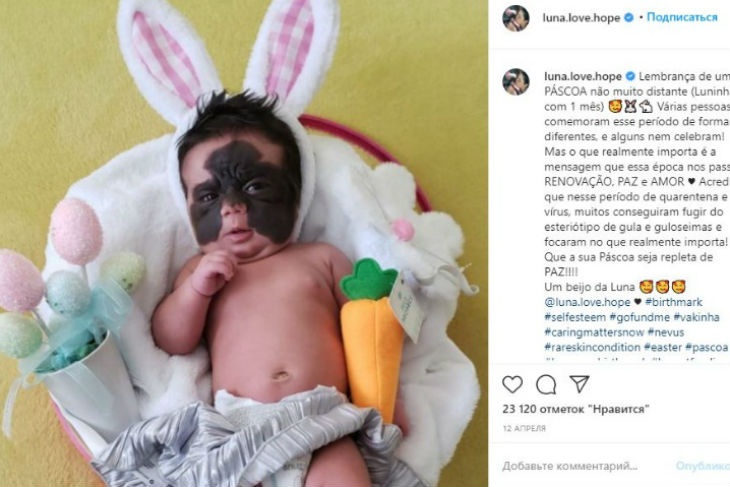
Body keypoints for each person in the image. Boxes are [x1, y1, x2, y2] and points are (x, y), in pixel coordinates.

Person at [151, 90, 371, 486]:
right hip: (238, 431)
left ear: (296, 191)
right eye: (209, 195)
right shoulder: (200, 271)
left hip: (323, 421)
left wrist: (388, 398)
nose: (231, 206)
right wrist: (196, 292)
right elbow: (172, 339)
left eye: (253, 186)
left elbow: (369, 333)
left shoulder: (322, 258)